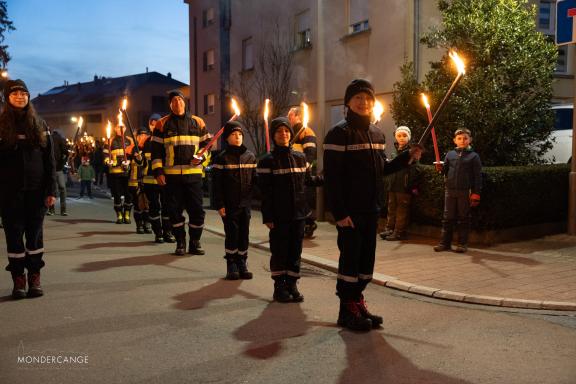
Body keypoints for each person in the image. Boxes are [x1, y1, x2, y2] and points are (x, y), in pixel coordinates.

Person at [323, 79, 422, 331]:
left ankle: (357, 301)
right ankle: (346, 310)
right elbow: (332, 179)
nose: (363, 102)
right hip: (350, 212)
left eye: (367, 98)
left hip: (371, 209)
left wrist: (406, 158)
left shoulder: (377, 133)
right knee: (351, 261)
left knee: (366, 263)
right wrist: (340, 213)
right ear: (348, 102)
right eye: (358, 98)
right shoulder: (338, 133)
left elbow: (383, 169)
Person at [0, 79, 56, 299]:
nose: (20, 96)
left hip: (36, 192)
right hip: (9, 194)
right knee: (14, 239)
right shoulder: (1, 125)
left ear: (29, 97)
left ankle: (34, 277)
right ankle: (18, 280)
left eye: (24, 93)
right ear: (7, 98)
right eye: (15, 94)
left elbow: (49, 160)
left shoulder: (40, 125)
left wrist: (50, 190)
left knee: (34, 238)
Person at [257, 117, 323, 303]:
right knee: (279, 251)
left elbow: (308, 181)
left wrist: (327, 178)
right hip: (279, 215)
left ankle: (292, 284)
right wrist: (268, 216)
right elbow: (265, 193)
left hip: (299, 214)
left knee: (295, 250)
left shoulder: (300, 157)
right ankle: (279, 287)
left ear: (291, 134)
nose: (283, 134)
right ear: (274, 135)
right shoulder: (266, 161)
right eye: (279, 131)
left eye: (286, 131)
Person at [151, 90, 211, 256]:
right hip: (172, 177)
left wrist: (202, 157)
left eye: (180, 99)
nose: (177, 102)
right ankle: (180, 242)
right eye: (174, 100)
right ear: (170, 105)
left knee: (197, 211)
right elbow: (156, 151)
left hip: (194, 176)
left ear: (185, 102)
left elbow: (208, 145)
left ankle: (195, 242)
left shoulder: (198, 122)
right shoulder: (162, 124)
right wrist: (158, 172)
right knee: (174, 212)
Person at [212, 121, 257, 280]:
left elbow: (255, 180)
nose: (237, 137)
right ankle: (231, 264)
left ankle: (242, 263)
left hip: (245, 205)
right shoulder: (221, 158)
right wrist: (219, 204)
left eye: (239, 134)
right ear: (227, 138)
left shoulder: (250, 157)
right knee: (232, 234)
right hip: (229, 205)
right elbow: (216, 184)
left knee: (244, 234)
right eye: (233, 134)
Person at [434, 128, 482, 253]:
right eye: (459, 138)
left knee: (463, 217)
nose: (462, 141)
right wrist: (439, 168)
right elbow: (444, 171)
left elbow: (478, 176)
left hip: (465, 191)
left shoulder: (474, 156)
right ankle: (444, 243)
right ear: (455, 140)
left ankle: (462, 243)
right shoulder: (450, 154)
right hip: (450, 190)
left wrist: (476, 193)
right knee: (447, 217)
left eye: (465, 138)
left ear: (470, 140)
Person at [379, 126, 421, 241]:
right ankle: (389, 228)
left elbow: (415, 170)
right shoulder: (395, 152)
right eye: (399, 136)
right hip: (393, 186)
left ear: (409, 137)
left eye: (404, 136)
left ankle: (399, 231)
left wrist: (412, 185)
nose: (401, 138)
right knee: (391, 208)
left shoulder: (412, 153)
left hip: (404, 186)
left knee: (402, 209)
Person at [142, 114, 175, 244]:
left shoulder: (166, 139)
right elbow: (140, 163)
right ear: (149, 125)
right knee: (154, 207)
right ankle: (158, 233)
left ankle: (168, 232)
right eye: (152, 123)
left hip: (165, 179)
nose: (154, 125)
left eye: (157, 123)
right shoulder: (145, 142)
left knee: (167, 207)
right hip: (150, 180)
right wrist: (138, 160)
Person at [287, 106, 318, 238]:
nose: (288, 118)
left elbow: (310, 152)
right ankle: (305, 223)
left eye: (290, 115)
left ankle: (309, 223)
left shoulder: (306, 131)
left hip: (302, 172)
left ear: (298, 116)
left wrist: (305, 168)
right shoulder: (289, 133)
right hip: (292, 171)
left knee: (302, 198)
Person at [104, 122, 135, 224]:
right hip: (115, 173)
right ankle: (119, 215)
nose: (120, 129)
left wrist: (129, 161)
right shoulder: (110, 140)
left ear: (125, 128)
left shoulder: (130, 140)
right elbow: (105, 154)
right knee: (117, 195)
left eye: (122, 127)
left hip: (128, 173)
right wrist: (108, 161)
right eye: (118, 127)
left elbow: (133, 155)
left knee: (128, 195)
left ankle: (127, 214)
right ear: (115, 128)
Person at [128, 127, 149, 234]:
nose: (142, 137)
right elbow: (126, 163)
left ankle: (147, 223)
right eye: (140, 135)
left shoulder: (149, 147)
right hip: (134, 180)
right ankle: (139, 224)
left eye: (145, 135)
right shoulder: (131, 149)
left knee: (147, 203)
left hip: (146, 179)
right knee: (137, 204)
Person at [47, 128, 68, 216]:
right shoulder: (60, 139)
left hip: (51, 168)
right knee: (62, 188)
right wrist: (63, 162)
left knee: (52, 189)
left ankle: (51, 209)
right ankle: (63, 210)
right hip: (58, 168)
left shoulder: (48, 139)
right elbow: (65, 152)